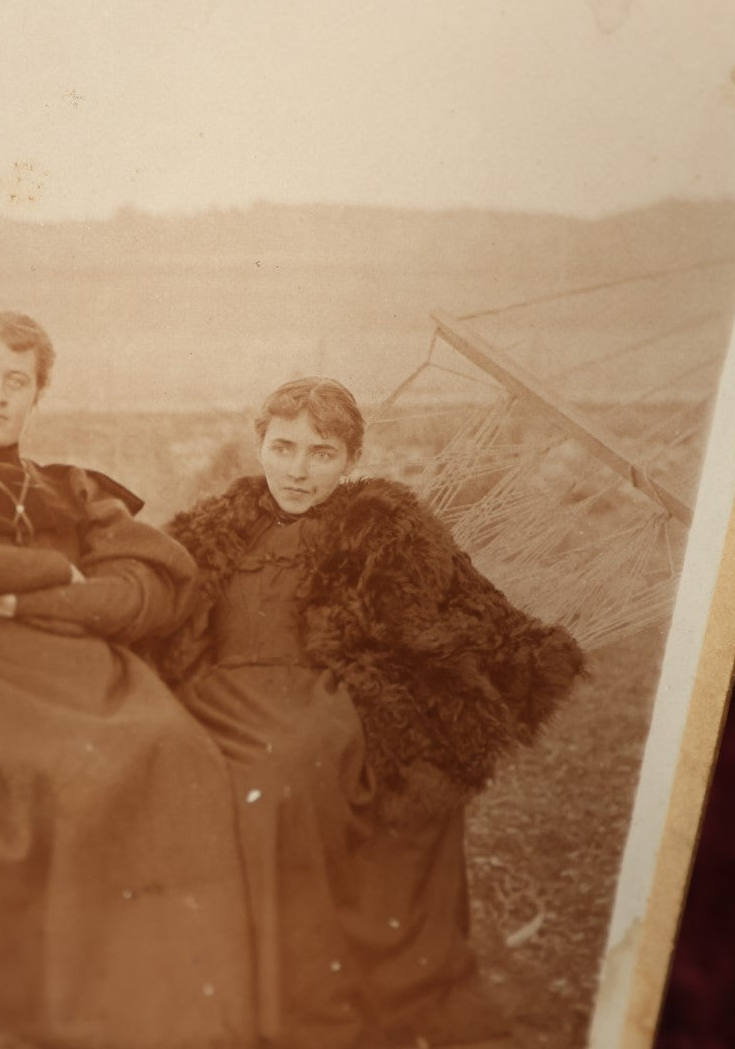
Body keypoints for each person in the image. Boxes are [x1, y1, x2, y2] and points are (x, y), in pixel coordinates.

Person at [0, 310, 256, 1049]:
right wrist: (50, 566)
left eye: (16, 380)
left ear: (37, 395)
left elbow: (154, 588)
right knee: (72, 772)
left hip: (89, 663)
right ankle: (59, 1005)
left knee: (173, 748)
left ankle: (160, 1007)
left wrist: (34, 594)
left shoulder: (70, 488)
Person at [153, 377, 585, 1048]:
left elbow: (462, 605)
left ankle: (300, 998)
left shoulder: (384, 525)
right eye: (283, 447)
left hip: (327, 693)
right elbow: (152, 601)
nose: (297, 470)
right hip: (215, 692)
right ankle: (232, 988)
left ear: (349, 459)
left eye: (320, 453)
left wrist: (512, 657)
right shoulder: (213, 528)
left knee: (288, 773)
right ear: (259, 444)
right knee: (198, 774)